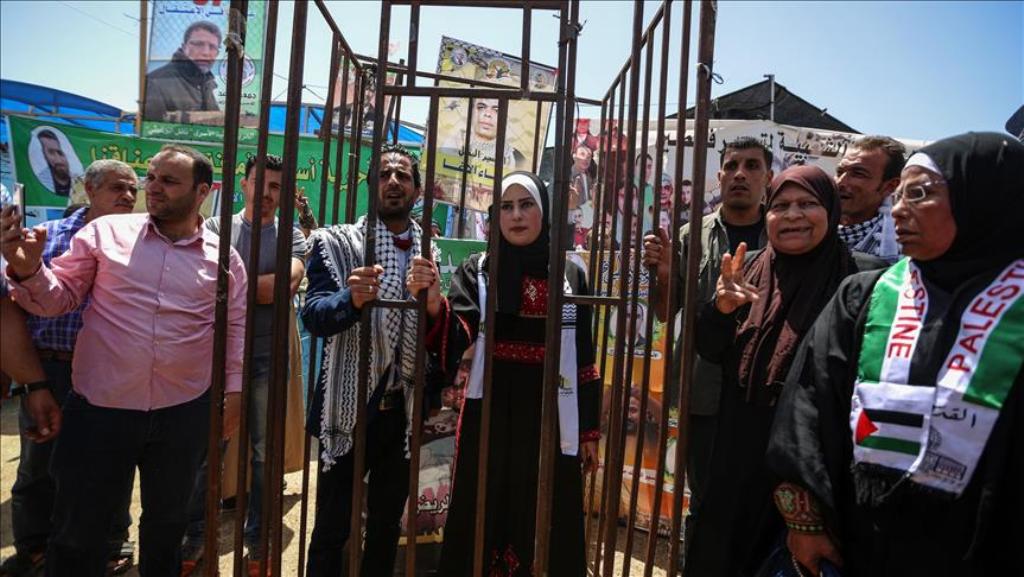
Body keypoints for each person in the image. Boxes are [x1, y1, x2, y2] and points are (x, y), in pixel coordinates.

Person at [767, 132, 1024, 577]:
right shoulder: (865, 295)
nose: (900, 209)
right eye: (899, 194)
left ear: (983, 199)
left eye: (920, 194)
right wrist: (805, 522)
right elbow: (807, 404)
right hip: (857, 545)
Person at [0, 145, 246, 577]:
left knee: (167, 527)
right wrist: (29, 271)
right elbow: (59, 299)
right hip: (101, 410)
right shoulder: (105, 234)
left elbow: (235, 327)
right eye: (151, 177)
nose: (153, 188)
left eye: (168, 181)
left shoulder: (224, 257)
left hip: (182, 412)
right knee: (78, 530)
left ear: (202, 191)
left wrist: (235, 391)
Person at [685, 165, 883, 576]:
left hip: (817, 468)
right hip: (738, 461)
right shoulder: (749, 269)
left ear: (830, 210)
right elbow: (710, 349)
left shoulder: (864, 279)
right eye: (781, 205)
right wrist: (721, 309)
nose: (793, 215)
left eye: (808, 203)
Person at [407, 171, 601, 576]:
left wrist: (587, 432)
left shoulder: (571, 275)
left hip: (551, 415)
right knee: (483, 503)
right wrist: (433, 306)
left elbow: (583, 356)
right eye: (506, 207)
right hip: (490, 413)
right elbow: (458, 332)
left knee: (546, 506)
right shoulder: (477, 270)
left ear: (544, 212)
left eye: (526, 204)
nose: (516, 215)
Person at [2, 159, 140, 577]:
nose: (128, 196)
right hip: (52, 368)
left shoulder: (140, 245)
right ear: (89, 189)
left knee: (112, 460)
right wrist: (31, 381)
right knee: (40, 462)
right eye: (117, 187)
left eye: (133, 190)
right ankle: (35, 546)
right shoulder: (48, 237)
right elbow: (14, 305)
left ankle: (112, 542)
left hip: (112, 370)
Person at [642, 136, 773, 560]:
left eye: (752, 166)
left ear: (768, 177)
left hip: (765, 391)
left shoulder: (780, 234)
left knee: (760, 502)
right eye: (732, 165)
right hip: (705, 393)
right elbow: (664, 312)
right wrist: (664, 276)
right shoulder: (691, 235)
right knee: (706, 500)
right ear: (719, 175)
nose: (740, 174)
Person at [180, 155, 306, 576]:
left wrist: (234, 285)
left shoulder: (291, 236)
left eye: (276, 187)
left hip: (267, 356)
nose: (266, 193)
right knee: (207, 451)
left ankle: (258, 540)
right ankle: (196, 535)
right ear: (244, 183)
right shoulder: (217, 229)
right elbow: (203, 286)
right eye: (260, 183)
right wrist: (256, 286)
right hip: (217, 357)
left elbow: (284, 287)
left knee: (264, 453)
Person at [301, 144, 423, 577]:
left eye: (403, 175)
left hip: (402, 411)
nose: (393, 182)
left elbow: (435, 328)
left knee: (387, 525)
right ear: (371, 185)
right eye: (384, 174)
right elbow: (313, 316)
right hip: (348, 407)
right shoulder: (336, 244)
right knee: (332, 526)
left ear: (417, 189)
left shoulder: (427, 251)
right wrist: (349, 300)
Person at [835, 135, 906, 263]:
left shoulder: (904, 249)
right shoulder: (812, 230)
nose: (840, 182)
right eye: (839, 172)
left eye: (858, 174)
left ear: (890, 186)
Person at [144, 21, 222, 122]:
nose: (206, 52)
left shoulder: (207, 83)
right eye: (198, 44)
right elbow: (152, 128)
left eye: (212, 47)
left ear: (217, 53)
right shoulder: (155, 81)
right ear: (184, 47)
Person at [34, 130, 74, 197]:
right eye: (51, 152)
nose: (58, 159)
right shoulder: (39, 182)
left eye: (60, 153)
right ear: (44, 155)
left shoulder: (78, 181)